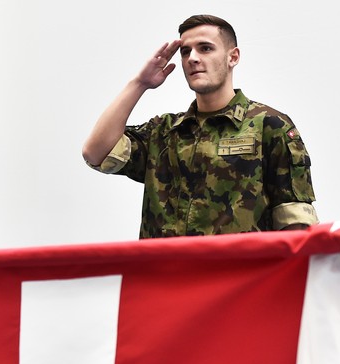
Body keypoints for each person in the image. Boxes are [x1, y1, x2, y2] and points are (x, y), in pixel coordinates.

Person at [81, 14, 318, 238]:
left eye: (205, 48)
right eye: (185, 52)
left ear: (233, 57)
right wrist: (139, 83)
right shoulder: (164, 132)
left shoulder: (268, 124)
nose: (192, 58)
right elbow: (95, 152)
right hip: (164, 277)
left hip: (238, 277)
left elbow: (295, 221)